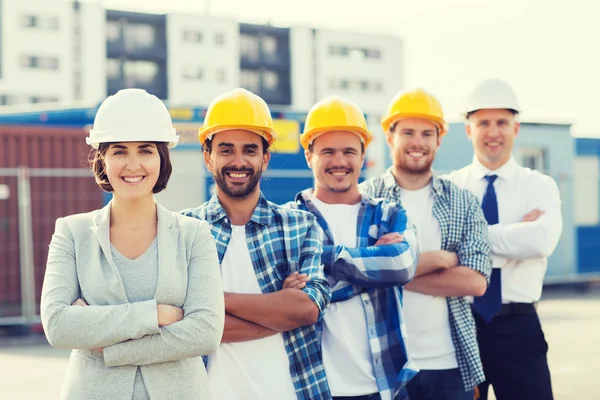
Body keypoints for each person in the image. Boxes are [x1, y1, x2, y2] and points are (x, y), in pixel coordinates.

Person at [40, 89, 224, 400]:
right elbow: (58, 325)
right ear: (103, 159)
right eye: (120, 151)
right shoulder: (72, 232)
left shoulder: (194, 235)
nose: (133, 164)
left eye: (146, 150)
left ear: (162, 157)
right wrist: (154, 316)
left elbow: (205, 332)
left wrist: (105, 344)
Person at [181, 88, 332, 400]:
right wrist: (278, 311)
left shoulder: (300, 226)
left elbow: (306, 310)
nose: (239, 161)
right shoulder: (182, 231)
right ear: (208, 157)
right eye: (226, 150)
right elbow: (181, 330)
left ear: (265, 158)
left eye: (250, 150)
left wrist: (207, 302)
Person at [360, 88, 492, 400]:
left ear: (439, 140)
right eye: (407, 132)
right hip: (382, 363)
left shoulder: (463, 201)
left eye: (427, 133)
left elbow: (475, 282)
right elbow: (357, 273)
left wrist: (391, 270)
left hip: (450, 363)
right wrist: (438, 260)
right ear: (390, 137)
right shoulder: (365, 200)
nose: (418, 142)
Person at [288, 95, 418, 400]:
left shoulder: (389, 214)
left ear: (363, 156)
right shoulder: (288, 220)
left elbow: (401, 266)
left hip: (386, 385)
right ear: (309, 156)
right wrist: (373, 272)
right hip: (313, 387)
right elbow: (284, 301)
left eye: (349, 151)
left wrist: (317, 265)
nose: (339, 161)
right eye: (328, 151)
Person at [446, 78, 562, 400]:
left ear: (516, 128)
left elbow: (540, 241)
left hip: (520, 329)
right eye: (483, 123)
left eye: (502, 122)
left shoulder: (539, 186)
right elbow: (436, 248)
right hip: (461, 327)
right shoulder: (449, 188)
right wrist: (514, 235)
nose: (493, 132)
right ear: (468, 130)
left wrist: (468, 242)